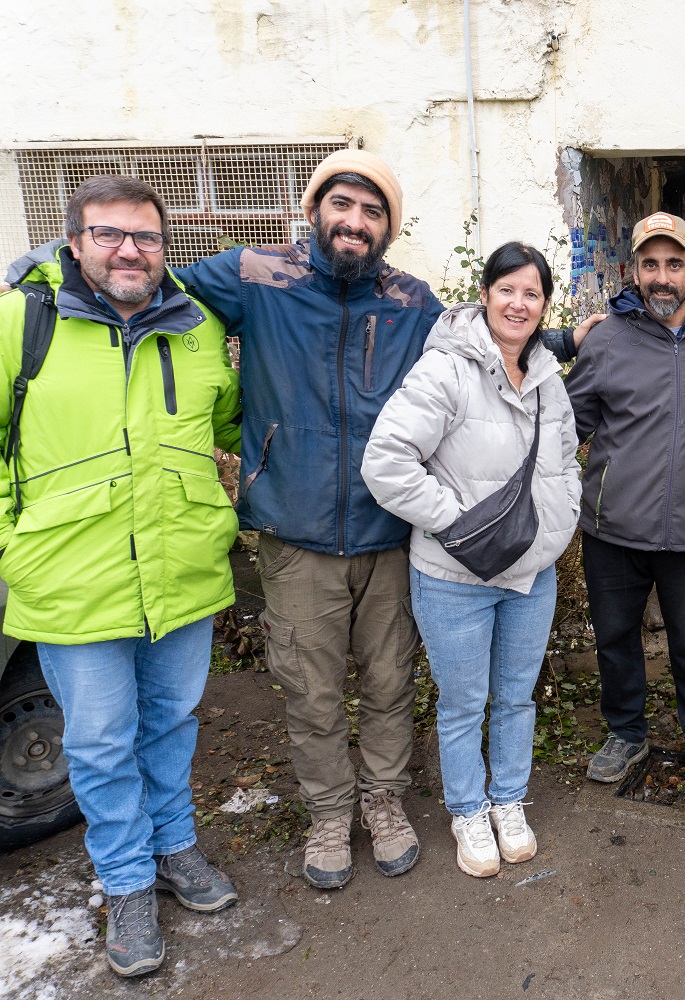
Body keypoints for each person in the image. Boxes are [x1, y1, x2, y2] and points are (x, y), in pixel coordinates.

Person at [176, 150, 444, 888]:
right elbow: (147, 282)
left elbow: (478, 352)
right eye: (343, 206)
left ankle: (383, 801)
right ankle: (330, 813)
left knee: (390, 680)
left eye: (372, 212)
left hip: (390, 532)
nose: (355, 223)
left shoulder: (412, 301)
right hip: (293, 534)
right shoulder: (256, 277)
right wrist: (47, 267)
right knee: (311, 687)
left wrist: (568, 343)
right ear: (314, 208)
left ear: (389, 226)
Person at [0, 176, 241, 976]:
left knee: (171, 723)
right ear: (74, 243)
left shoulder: (197, 328)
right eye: (109, 235)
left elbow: (230, 423)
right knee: (100, 744)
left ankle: (174, 849)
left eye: (146, 237)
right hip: (73, 579)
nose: (129, 250)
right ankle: (128, 881)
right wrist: (14, 545)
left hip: (182, 570)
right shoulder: (20, 323)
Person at [362, 242, 581, 877]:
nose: (519, 303)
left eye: (532, 293)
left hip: (530, 574)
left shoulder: (545, 379)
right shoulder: (447, 371)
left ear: (544, 306)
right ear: (484, 294)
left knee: (516, 697)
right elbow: (387, 463)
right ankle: (467, 809)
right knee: (462, 702)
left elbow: (566, 460)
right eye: (507, 289)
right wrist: (460, 524)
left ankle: (508, 801)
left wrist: (558, 524)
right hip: (455, 576)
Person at [568, 212, 685, 801]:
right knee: (616, 639)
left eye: (673, 263)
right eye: (649, 264)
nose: (661, 277)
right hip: (613, 527)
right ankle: (626, 732)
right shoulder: (609, 339)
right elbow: (571, 423)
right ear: (634, 271)